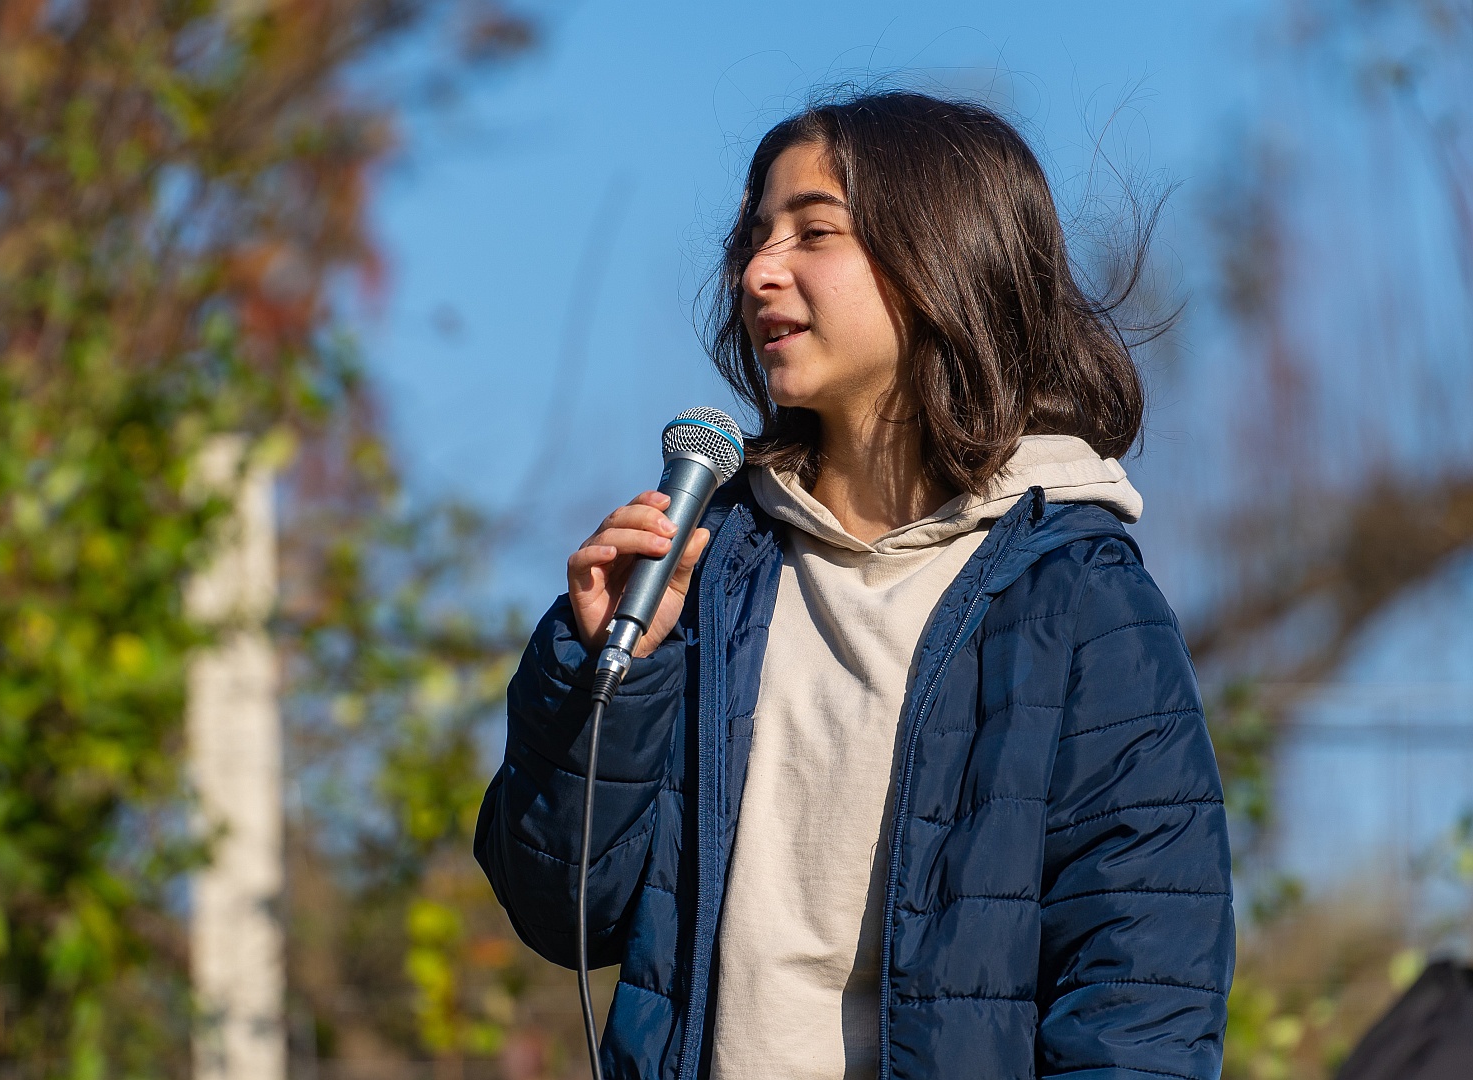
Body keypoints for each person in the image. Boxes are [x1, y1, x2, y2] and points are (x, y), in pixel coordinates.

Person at [474, 90, 1235, 1080]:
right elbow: (565, 911)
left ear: (943, 260)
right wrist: (605, 670)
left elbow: (1143, 1005)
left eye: (813, 232)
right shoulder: (710, 573)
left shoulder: (1080, 606)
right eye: (754, 236)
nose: (758, 272)